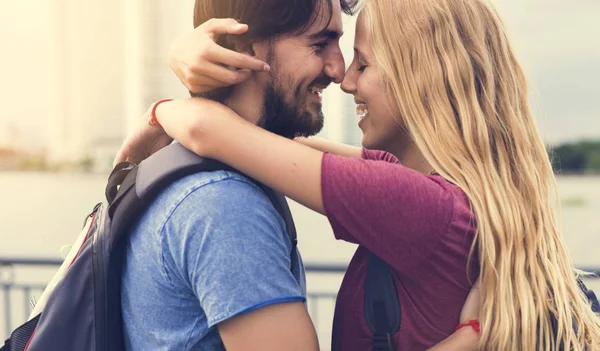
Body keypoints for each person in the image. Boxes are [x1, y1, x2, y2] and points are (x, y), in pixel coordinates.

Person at [117, 0, 600, 350]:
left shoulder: (417, 204)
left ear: (420, 79)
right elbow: (276, 146)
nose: (345, 78)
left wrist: (162, 106)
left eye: (362, 63)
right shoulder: (458, 198)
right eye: (323, 45)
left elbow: (206, 128)